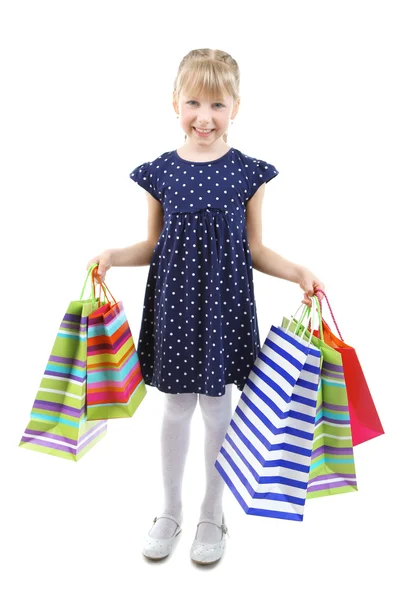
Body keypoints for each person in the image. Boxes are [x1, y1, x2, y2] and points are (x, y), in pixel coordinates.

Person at [86, 48, 325, 565]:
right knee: (175, 407)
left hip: (224, 309)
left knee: (218, 409)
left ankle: (212, 515)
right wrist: (112, 257)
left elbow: (255, 249)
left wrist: (298, 272)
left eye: (217, 104)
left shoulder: (248, 173)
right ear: (174, 103)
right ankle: (169, 510)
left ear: (236, 106)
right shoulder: (159, 172)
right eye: (193, 102)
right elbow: (153, 244)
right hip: (174, 308)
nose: (204, 116)